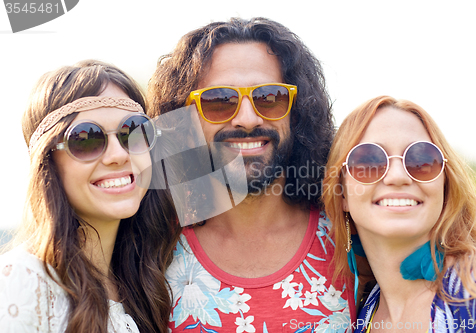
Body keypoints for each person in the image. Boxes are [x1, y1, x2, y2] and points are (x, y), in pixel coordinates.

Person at [148, 17, 355, 332]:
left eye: (269, 98)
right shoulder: (149, 247)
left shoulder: (352, 237)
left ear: (297, 114)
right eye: (219, 101)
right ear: (185, 122)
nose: (247, 119)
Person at [0, 60, 180, 332]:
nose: (119, 155)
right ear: (48, 161)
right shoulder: (22, 281)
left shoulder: (149, 281)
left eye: (133, 131)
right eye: (86, 139)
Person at [323, 95, 476, 332]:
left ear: (445, 186)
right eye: (368, 161)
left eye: (421, 159)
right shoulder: (360, 315)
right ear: (342, 193)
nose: (398, 177)